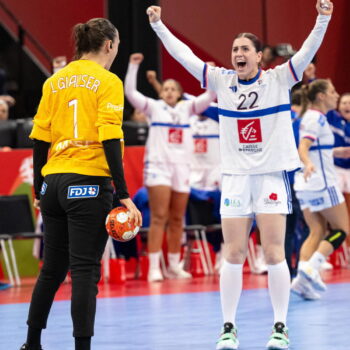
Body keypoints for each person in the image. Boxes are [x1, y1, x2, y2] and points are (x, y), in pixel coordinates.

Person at [146, 1, 333, 349]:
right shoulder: (221, 80)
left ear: (259, 55)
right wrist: (158, 25)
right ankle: (228, 328)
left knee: (274, 252)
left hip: (271, 176)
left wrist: (323, 18)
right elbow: (185, 56)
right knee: (233, 253)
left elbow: (307, 52)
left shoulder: (279, 79)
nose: (237, 53)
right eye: (234, 49)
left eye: (245, 48)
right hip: (234, 177)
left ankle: (280, 327)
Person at [19, 18, 142, 350]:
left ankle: (31, 343)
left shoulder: (54, 81)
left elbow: (39, 141)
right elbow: (110, 137)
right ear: (109, 45)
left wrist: (38, 191)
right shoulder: (108, 81)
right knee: (85, 271)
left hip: (54, 183)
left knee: (52, 270)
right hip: (88, 181)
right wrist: (124, 194)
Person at [125, 52, 216, 282]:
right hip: (159, 167)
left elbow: (210, 96)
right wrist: (133, 67)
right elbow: (130, 93)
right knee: (159, 217)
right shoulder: (153, 108)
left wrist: (211, 75)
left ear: (179, 93)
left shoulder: (188, 108)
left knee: (177, 219)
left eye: (173, 89)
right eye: (165, 89)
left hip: (182, 168)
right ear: (161, 92)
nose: (169, 92)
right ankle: (154, 266)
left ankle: (174, 265)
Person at [292, 81, 350, 300]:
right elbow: (303, 148)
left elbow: (315, 147)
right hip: (323, 184)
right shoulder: (317, 118)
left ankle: (301, 282)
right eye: (333, 92)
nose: (336, 96)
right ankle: (312, 268)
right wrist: (307, 163)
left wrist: (335, 151)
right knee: (342, 229)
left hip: (305, 185)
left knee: (316, 231)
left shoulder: (309, 118)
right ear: (321, 97)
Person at [327, 92, 350, 251]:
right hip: (334, 169)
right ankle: (330, 245)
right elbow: (321, 100)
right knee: (333, 210)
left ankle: (347, 247)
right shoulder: (333, 118)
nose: (347, 106)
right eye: (343, 103)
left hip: (349, 171)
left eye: (349, 103)